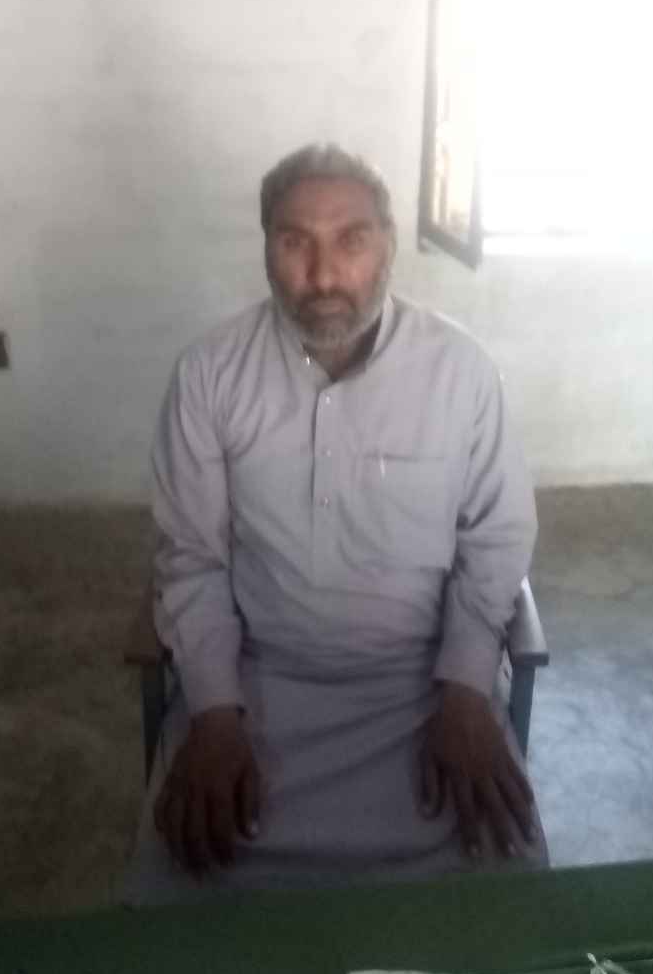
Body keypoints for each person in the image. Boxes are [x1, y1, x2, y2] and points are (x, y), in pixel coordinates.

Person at [121, 143, 548, 905]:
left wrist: (466, 692)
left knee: (499, 911)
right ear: (265, 248)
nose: (323, 277)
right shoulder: (209, 377)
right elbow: (191, 558)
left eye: (351, 240)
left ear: (389, 245)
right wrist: (214, 717)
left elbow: (495, 544)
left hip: (424, 689)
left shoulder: (462, 375)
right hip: (258, 686)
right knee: (182, 904)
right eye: (295, 242)